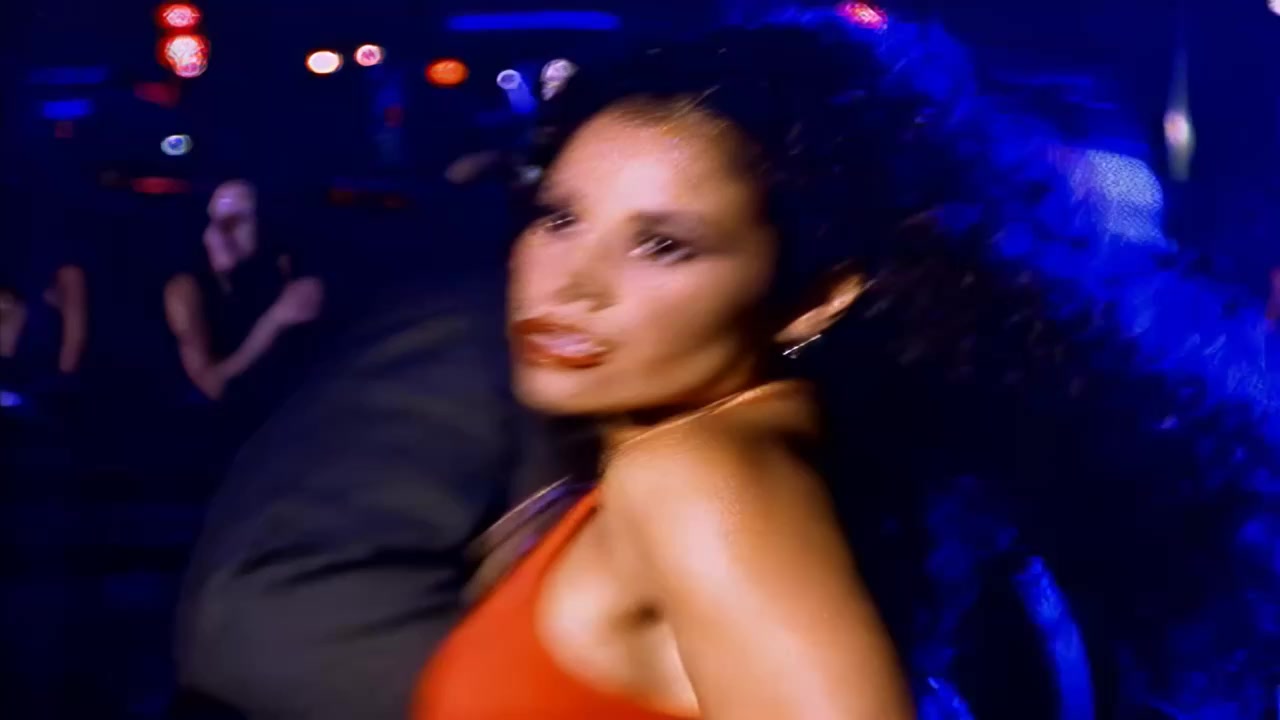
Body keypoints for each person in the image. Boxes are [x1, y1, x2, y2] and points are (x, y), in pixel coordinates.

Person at [415, 10, 1278, 720]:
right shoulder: (731, 462)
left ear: (818, 296)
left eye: (664, 245)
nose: (573, 283)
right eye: (560, 218)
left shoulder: (698, 477)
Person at [163, 180, 325, 402]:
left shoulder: (279, 263)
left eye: (233, 223)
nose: (218, 235)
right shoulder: (184, 289)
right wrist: (273, 322)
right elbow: (210, 385)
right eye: (211, 222)